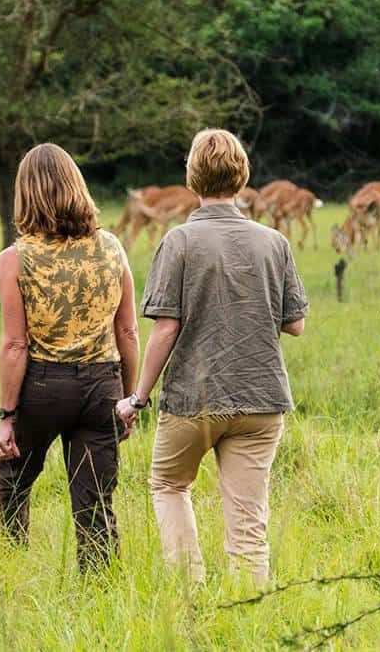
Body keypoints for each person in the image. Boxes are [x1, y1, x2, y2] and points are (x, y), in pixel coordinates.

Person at [118, 128, 307, 584]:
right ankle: (248, 615)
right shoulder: (274, 242)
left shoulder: (179, 242)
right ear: (243, 177)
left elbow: (166, 326)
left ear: (192, 178)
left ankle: (191, 592)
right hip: (261, 398)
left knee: (168, 484)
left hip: (192, 399)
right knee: (249, 522)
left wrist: (137, 398)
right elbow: (295, 323)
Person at [0, 143, 139, 571]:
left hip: (42, 386)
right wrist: (128, 400)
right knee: (94, 504)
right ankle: (99, 591)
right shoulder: (112, 248)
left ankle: (6, 574)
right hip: (102, 386)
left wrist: (6, 417)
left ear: (26, 195)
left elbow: (16, 345)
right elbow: (127, 330)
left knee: (11, 484)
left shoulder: (14, 259)